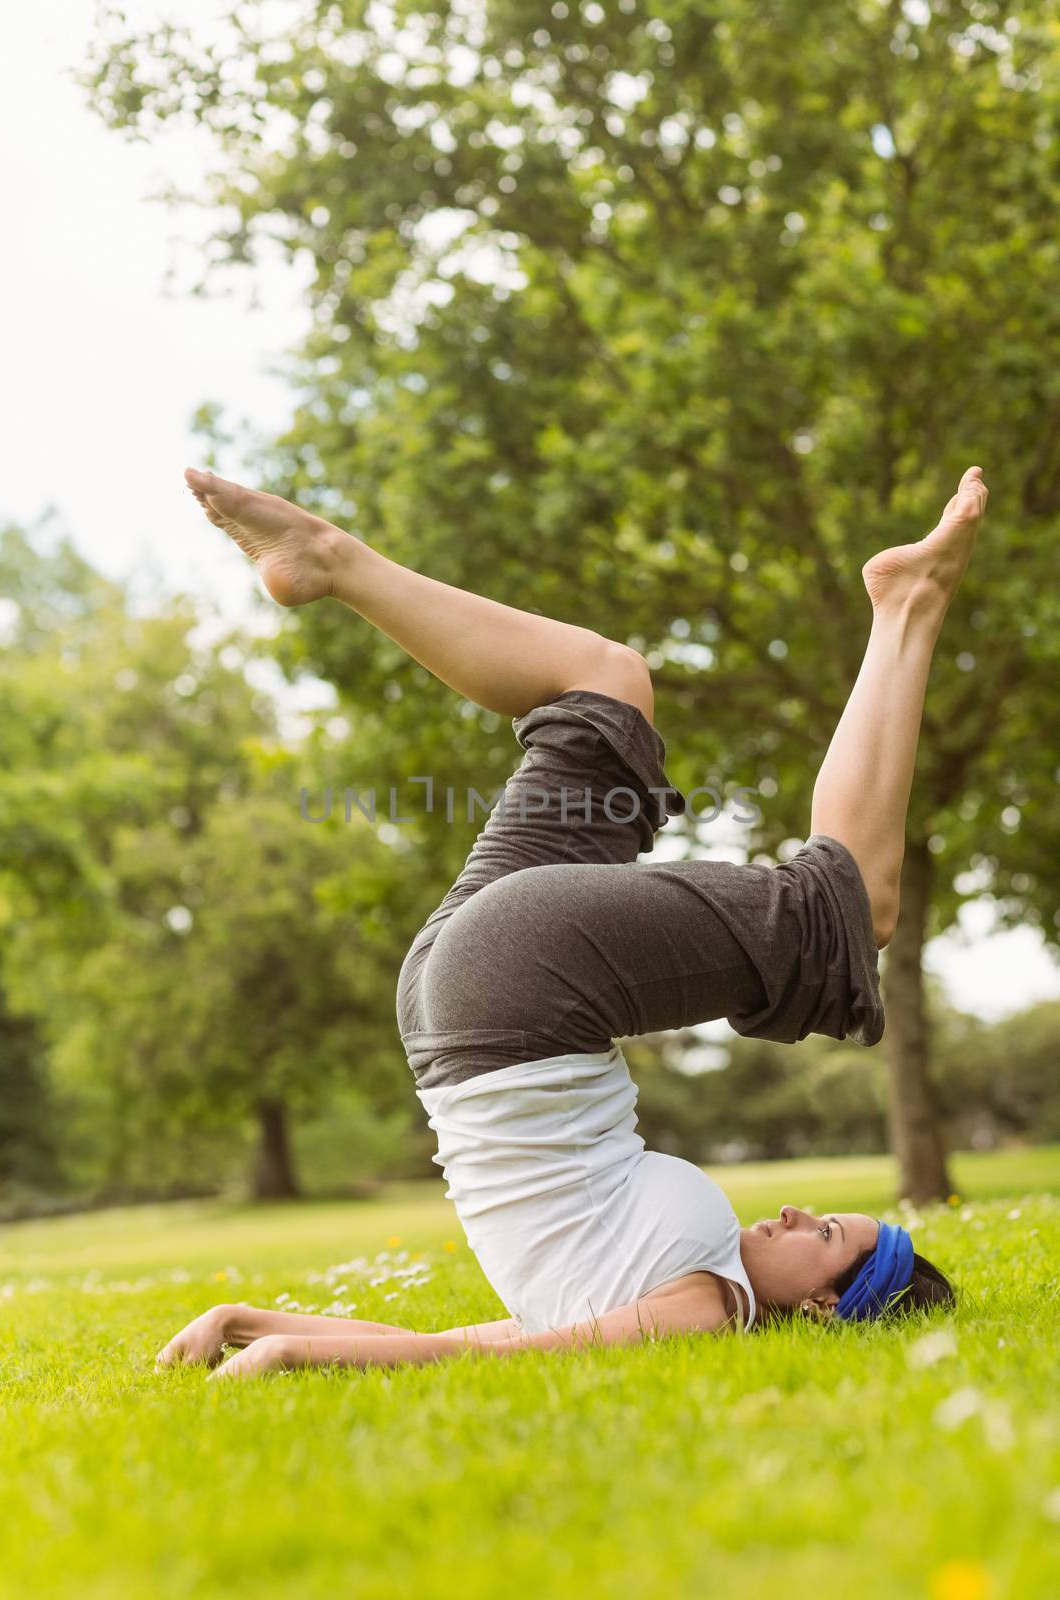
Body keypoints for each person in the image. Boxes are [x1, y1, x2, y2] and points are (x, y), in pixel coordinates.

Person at [158, 463, 988, 1380]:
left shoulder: (707, 1312)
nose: (796, 1215)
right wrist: (241, 1320)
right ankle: (327, 559)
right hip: (460, 1003)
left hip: (520, 992)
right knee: (604, 688)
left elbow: (470, 1353)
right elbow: (491, 1341)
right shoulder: (683, 1284)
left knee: (851, 907)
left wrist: (286, 1353)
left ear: (827, 1306)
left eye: (826, 1234)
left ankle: (907, 606)